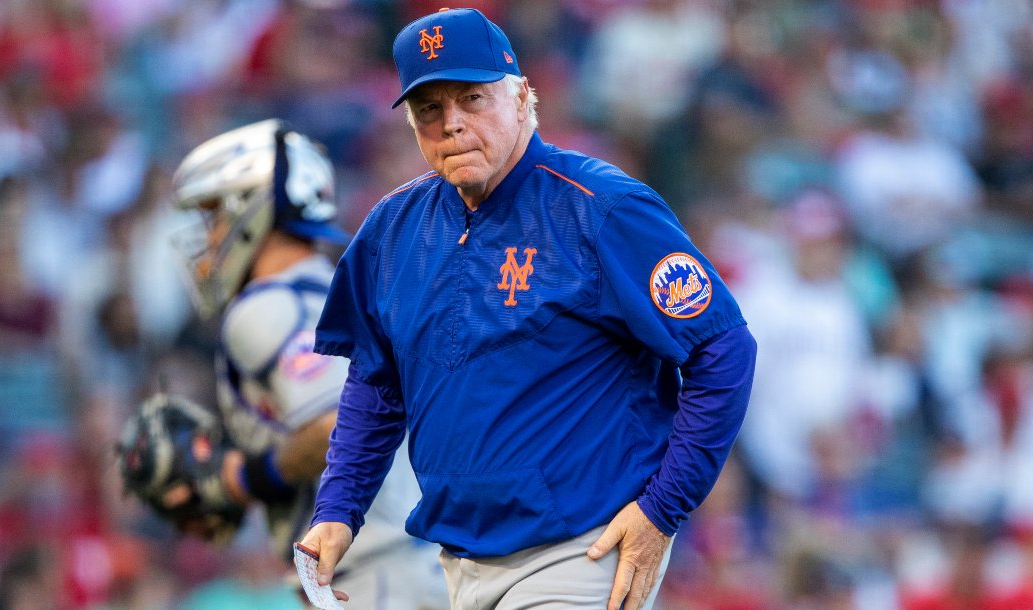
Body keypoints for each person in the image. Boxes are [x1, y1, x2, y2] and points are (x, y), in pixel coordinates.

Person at [300, 8, 757, 610]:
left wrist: (661, 510)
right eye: (429, 108)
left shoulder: (600, 207)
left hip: (583, 550)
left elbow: (723, 349)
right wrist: (338, 508)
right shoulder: (393, 228)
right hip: (459, 561)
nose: (451, 123)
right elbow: (376, 380)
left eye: (472, 99)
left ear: (521, 98)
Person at [117, 119, 447, 609]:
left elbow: (340, 425)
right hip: (417, 563)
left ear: (253, 209)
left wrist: (241, 478)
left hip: (372, 575)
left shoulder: (266, 307)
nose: (208, 237)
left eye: (214, 216)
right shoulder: (340, 286)